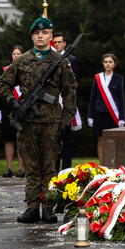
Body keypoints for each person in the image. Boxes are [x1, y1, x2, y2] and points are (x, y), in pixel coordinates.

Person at [0, 17, 76, 223]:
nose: (40, 36)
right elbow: (2, 85)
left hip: (51, 123)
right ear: (32, 36)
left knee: (49, 167)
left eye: (45, 33)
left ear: (51, 36)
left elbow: (69, 92)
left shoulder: (60, 61)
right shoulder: (21, 60)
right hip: (27, 122)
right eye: (36, 33)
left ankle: (48, 208)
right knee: (31, 167)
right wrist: (14, 104)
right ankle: (32, 207)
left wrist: (66, 122)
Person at [87, 53, 125, 165]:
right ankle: (103, 165)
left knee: (113, 140)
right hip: (98, 112)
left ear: (114, 64)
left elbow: (121, 99)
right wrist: (90, 116)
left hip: (112, 113)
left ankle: (113, 165)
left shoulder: (119, 79)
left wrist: (122, 117)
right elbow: (93, 97)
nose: (108, 64)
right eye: (106, 62)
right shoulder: (98, 78)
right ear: (103, 63)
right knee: (100, 140)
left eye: (110, 62)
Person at [52, 29, 80, 169]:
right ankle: (55, 168)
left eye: (59, 42)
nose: (57, 45)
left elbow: (75, 83)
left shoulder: (72, 60)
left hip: (66, 103)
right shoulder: (50, 58)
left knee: (66, 139)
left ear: (64, 43)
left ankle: (67, 169)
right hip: (53, 103)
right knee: (54, 139)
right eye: (55, 42)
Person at [0, 44, 25, 178]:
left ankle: (21, 169)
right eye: (14, 54)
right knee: (8, 139)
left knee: (21, 139)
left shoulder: (27, 71)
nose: (16, 56)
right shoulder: (5, 70)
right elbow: (0, 90)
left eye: (18, 54)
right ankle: (9, 168)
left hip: (22, 109)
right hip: (7, 108)